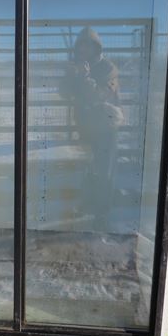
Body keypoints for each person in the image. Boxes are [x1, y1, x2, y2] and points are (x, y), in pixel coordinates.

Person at [60, 27, 123, 229]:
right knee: (88, 168)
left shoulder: (108, 68)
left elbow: (99, 96)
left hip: (106, 128)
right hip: (85, 126)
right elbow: (64, 93)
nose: (83, 51)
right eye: (80, 47)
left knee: (105, 170)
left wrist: (84, 77)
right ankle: (88, 205)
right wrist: (69, 76)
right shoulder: (78, 67)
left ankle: (102, 213)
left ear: (96, 48)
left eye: (87, 47)